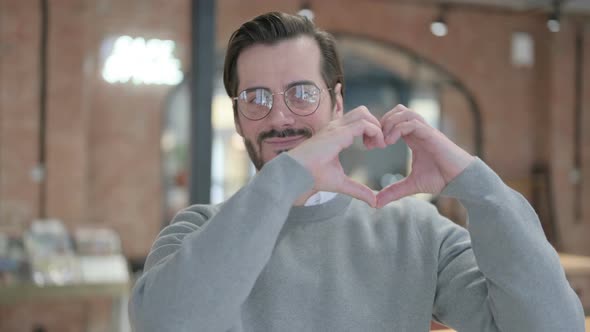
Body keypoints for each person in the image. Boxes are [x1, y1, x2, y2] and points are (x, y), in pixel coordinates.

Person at [129, 12, 584, 332]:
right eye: (256, 98)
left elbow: (552, 325)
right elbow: (171, 323)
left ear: (338, 104)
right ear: (237, 119)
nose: (279, 117)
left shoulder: (417, 233)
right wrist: (289, 175)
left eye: (301, 93)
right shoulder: (196, 232)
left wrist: (476, 183)